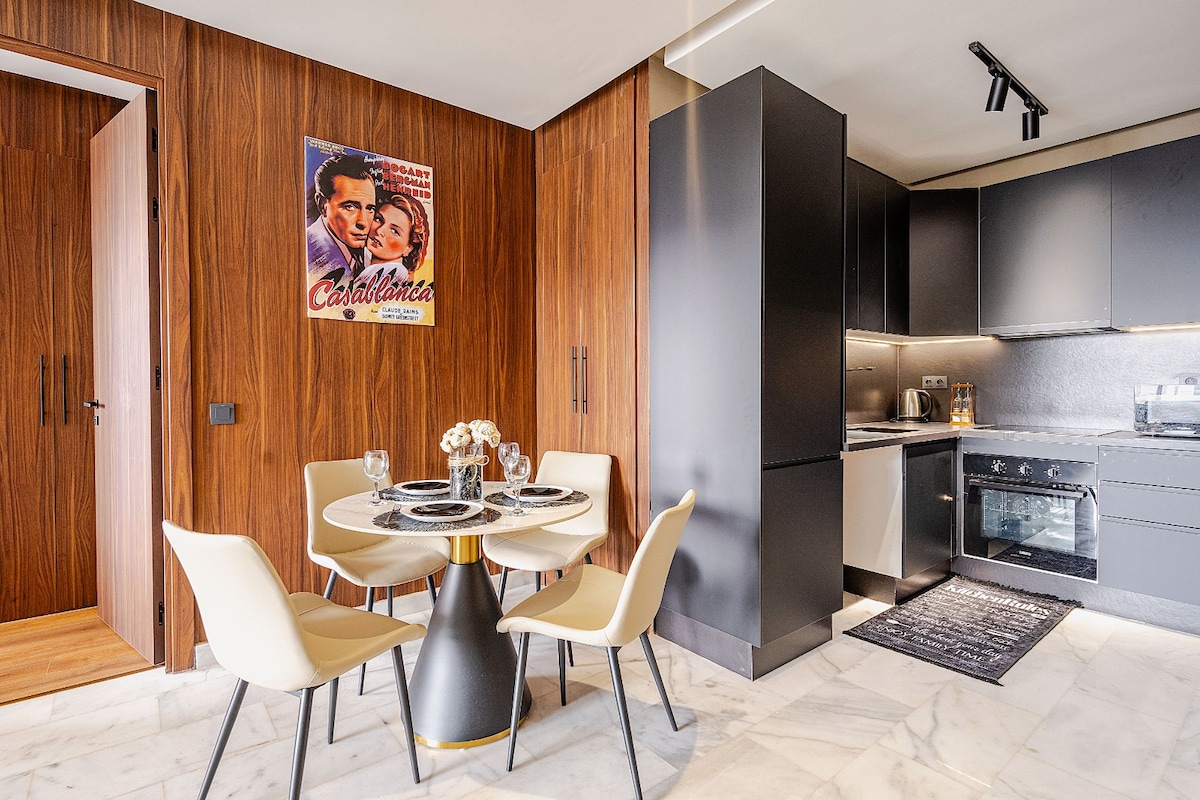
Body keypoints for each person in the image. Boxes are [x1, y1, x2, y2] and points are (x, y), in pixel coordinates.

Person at [306, 154, 376, 279]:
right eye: (350, 207)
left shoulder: (369, 256)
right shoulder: (309, 252)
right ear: (322, 205)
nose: (364, 222)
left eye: (370, 209)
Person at [354, 191, 430, 290]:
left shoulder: (393, 272)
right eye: (378, 219)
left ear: (408, 248)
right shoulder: (368, 267)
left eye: (394, 231)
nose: (379, 231)